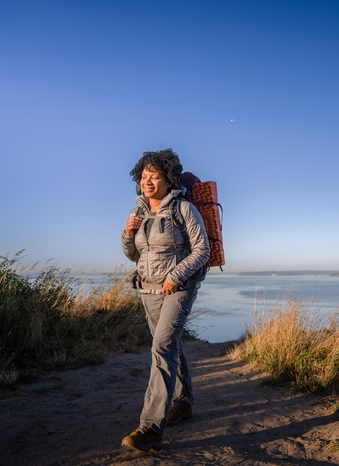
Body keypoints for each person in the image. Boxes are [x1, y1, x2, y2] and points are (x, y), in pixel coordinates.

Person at [120, 148, 210, 451]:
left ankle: (151, 427)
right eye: (144, 176)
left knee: (162, 346)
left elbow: (202, 251)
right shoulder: (137, 212)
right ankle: (182, 404)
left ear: (168, 179)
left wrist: (175, 276)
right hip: (147, 289)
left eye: (154, 175)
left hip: (178, 287)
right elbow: (133, 255)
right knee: (171, 345)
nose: (147, 181)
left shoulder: (183, 209)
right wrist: (127, 234)